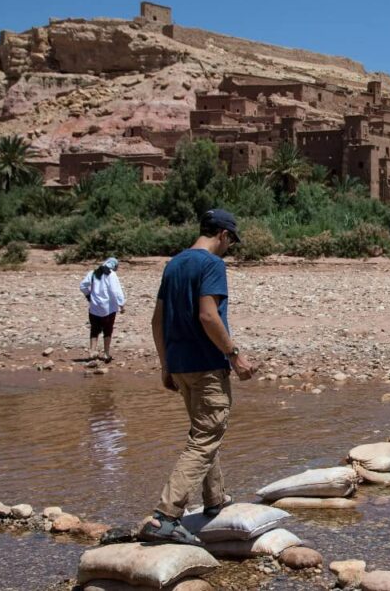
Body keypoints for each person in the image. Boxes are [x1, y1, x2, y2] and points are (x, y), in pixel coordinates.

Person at [141, 209, 257, 545]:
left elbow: (156, 321)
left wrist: (166, 366)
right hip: (207, 365)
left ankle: (215, 499)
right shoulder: (212, 265)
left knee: (204, 433)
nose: (230, 247)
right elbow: (208, 315)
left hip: (180, 365)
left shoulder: (174, 263)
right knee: (205, 437)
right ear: (222, 234)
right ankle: (165, 516)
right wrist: (235, 356)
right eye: (231, 240)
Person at [79, 257, 126, 363]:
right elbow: (116, 291)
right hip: (108, 309)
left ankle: (92, 352)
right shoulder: (111, 274)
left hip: (94, 307)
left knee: (94, 329)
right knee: (107, 330)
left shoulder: (93, 272)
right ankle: (106, 354)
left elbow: (83, 286)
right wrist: (121, 305)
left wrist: (89, 296)